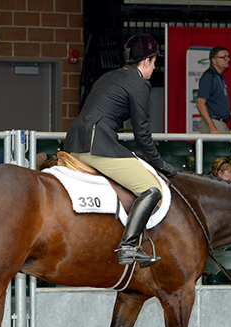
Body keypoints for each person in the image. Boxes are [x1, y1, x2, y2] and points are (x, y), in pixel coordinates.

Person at [63, 33, 177, 268]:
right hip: (96, 144)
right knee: (152, 188)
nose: (154, 68)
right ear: (146, 61)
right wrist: (159, 164)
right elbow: (142, 135)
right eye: (154, 63)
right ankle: (129, 246)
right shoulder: (139, 84)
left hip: (74, 140)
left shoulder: (108, 76)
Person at [196, 46, 231, 135]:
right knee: (221, 149)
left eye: (228, 56)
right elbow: (200, 103)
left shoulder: (219, 77)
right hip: (214, 123)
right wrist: (212, 127)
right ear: (214, 61)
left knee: (226, 148)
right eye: (223, 57)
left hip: (220, 123)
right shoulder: (209, 77)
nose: (227, 59)